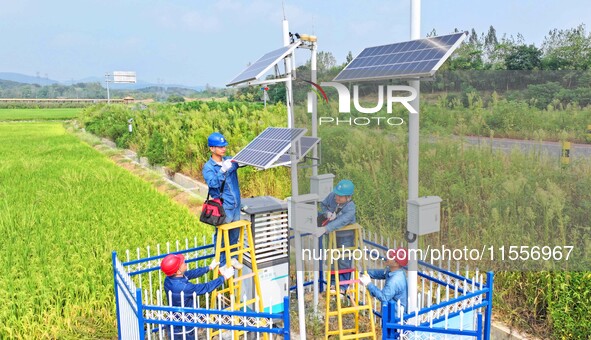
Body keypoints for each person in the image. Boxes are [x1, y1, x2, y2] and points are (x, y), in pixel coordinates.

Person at [161, 253, 235, 339]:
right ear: (178, 271)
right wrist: (224, 277)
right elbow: (205, 287)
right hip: (184, 328)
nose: (185, 263)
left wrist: (209, 267)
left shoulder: (169, 279)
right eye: (182, 263)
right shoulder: (184, 287)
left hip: (173, 322)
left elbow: (191, 273)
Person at [202, 132, 243, 269]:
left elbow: (241, 162)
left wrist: (242, 161)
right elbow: (213, 183)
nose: (223, 149)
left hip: (236, 204)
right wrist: (222, 171)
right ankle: (222, 262)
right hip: (224, 206)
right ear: (212, 149)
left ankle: (233, 257)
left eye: (224, 146)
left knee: (234, 233)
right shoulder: (208, 168)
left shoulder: (229, 161)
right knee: (221, 235)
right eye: (220, 147)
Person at [313, 179, 356, 291]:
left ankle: (342, 287)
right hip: (333, 235)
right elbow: (324, 204)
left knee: (344, 260)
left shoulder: (350, 207)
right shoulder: (332, 196)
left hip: (346, 236)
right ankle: (332, 283)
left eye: (340, 197)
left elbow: (342, 221)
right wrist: (326, 213)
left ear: (348, 197)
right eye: (337, 195)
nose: (337, 198)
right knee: (332, 260)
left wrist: (325, 228)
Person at [360, 247, 408, 317]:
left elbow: (384, 297)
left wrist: (368, 284)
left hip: (395, 317)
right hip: (391, 313)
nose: (387, 257)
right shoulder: (394, 271)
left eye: (391, 257)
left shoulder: (394, 281)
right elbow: (379, 273)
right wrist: (364, 271)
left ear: (396, 263)